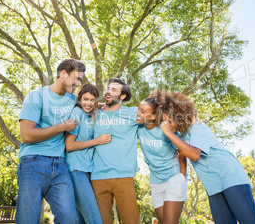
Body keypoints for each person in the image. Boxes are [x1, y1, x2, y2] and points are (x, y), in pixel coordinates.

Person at [152, 89, 255, 224]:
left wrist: (169, 134)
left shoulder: (198, 128)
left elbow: (195, 155)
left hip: (230, 177)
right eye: (163, 122)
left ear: (179, 116)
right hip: (213, 186)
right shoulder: (181, 137)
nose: (166, 125)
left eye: (169, 121)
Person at [16, 58, 86, 224]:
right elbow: (26, 135)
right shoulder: (36, 96)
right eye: (76, 78)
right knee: (28, 218)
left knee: (69, 218)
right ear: (63, 74)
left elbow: (90, 105)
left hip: (60, 165)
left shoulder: (71, 99)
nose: (78, 83)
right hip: (32, 162)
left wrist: (105, 106)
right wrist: (61, 126)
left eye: (80, 80)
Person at [90, 78, 140, 224]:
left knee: (131, 220)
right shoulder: (96, 113)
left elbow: (158, 114)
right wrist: (97, 105)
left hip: (124, 175)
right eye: (108, 88)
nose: (108, 92)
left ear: (122, 96)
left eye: (114, 90)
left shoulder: (133, 113)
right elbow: (74, 101)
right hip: (98, 176)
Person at [136, 96, 188, 224]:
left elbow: (182, 150)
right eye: (138, 109)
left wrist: (182, 175)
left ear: (154, 116)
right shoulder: (138, 127)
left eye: (143, 111)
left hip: (173, 178)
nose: (138, 113)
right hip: (156, 182)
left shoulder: (165, 129)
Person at [65, 83, 111, 224]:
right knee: (94, 219)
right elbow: (69, 145)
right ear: (79, 99)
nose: (88, 103)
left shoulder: (90, 114)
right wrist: (97, 141)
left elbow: (96, 106)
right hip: (75, 169)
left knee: (83, 221)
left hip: (88, 169)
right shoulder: (76, 113)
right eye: (85, 99)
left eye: (92, 100)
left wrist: (101, 105)